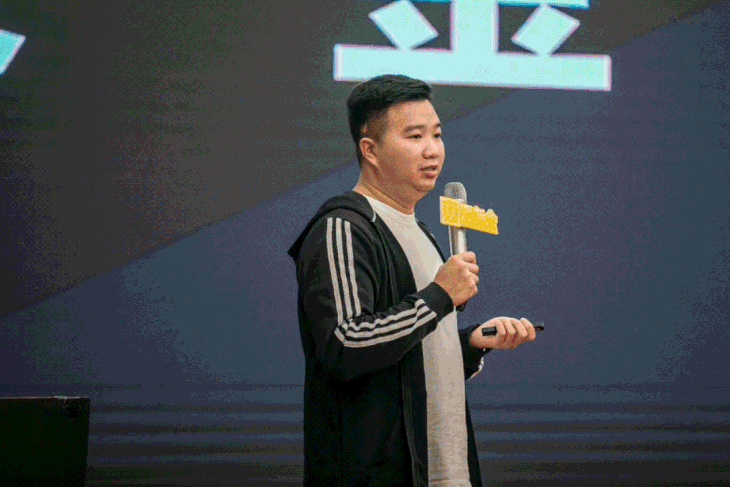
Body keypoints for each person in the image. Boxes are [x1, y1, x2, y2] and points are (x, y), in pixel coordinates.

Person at [287, 74, 538, 487]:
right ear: (370, 150)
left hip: (446, 473)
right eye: (415, 136)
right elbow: (345, 344)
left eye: (437, 134)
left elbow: (407, 365)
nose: (432, 149)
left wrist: (469, 344)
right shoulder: (343, 227)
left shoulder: (421, 232)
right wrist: (440, 296)